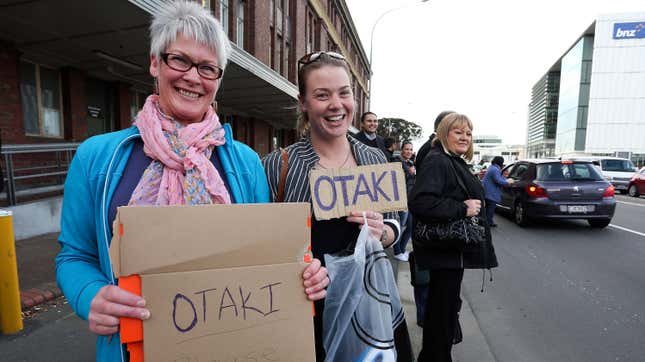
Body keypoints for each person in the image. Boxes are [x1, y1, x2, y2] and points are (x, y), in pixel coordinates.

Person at [55, 3, 328, 360]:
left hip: (233, 346)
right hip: (131, 348)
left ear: (218, 79)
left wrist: (305, 274)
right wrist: (89, 294)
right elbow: (74, 255)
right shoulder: (97, 157)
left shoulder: (245, 162)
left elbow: (271, 259)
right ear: (155, 62)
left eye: (207, 68)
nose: (193, 77)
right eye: (179, 60)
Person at [262, 51, 412, 361]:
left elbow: (396, 222)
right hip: (303, 311)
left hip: (368, 311)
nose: (336, 104)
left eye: (344, 93)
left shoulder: (374, 158)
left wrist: (382, 231)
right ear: (303, 102)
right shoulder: (278, 165)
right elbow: (259, 247)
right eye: (322, 95)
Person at [409, 113, 498, 362]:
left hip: (450, 254)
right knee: (441, 316)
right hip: (443, 254)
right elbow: (420, 202)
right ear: (443, 133)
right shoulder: (438, 160)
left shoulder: (453, 160)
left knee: (445, 314)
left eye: (468, 133)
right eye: (458, 132)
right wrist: (462, 208)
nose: (465, 137)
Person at [394, 140, 415, 262]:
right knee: (399, 226)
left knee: (411, 226)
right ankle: (397, 251)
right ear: (402, 149)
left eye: (411, 149)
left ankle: (401, 249)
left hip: (410, 200)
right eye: (407, 149)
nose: (409, 151)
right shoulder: (396, 160)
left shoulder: (411, 162)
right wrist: (409, 171)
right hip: (400, 200)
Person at [482, 156, 513, 227]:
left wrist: (504, 177)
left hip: (487, 192)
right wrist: (508, 182)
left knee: (488, 208)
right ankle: (488, 222)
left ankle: (487, 221)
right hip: (491, 193)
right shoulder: (495, 170)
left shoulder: (492, 168)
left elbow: (498, 179)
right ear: (500, 162)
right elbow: (499, 181)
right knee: (491, 208)